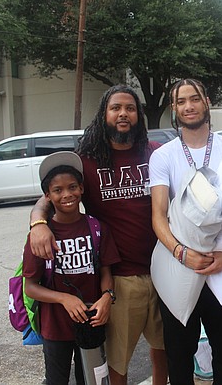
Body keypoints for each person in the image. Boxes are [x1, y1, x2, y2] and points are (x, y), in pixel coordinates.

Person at [29, 85, 168, 385]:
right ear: (104, 114)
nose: (123, 114)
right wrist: (37, 222)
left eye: (130, 108)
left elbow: (194, 158)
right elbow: (52, 193)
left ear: (138, 115)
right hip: (119, 276)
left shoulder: (156, 153)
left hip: (164, 269)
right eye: (116, 108)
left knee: (162, 348)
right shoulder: (87, 160)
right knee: (118, 359)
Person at [149, 78, 222, 384]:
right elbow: (158, 216)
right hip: (179, 268)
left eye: (194, 99)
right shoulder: (163, 156)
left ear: (206, 101)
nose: (188, 106)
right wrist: (182, 254)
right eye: (181, 101)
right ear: (174, 108)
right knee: (179, 357)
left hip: (220, 271)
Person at [23, 151, 120, 385]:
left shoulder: (97, 228)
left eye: (72, 187)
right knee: (56, 380)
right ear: (48, 196)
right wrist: (64, 299)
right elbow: (31, 288)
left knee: (90, 378)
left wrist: (107, 296)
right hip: (55, 326)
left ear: (82, 189)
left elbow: (106, 272)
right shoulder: (40, 237)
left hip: (90, 322)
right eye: (58, 190)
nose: (67, 195)